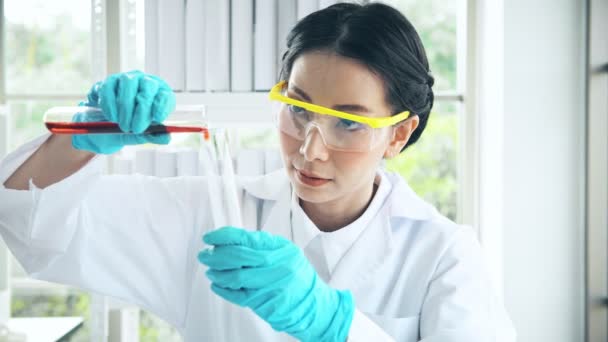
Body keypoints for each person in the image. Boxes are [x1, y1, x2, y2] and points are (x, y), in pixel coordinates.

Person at [0, 3, 515, 341]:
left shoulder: (444, 257)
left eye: (349, 125)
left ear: (398, 135)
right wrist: (80, 140)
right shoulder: (214, 215)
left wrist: (336, 324)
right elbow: (38, 227)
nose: (311, 149)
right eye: (298, 109)